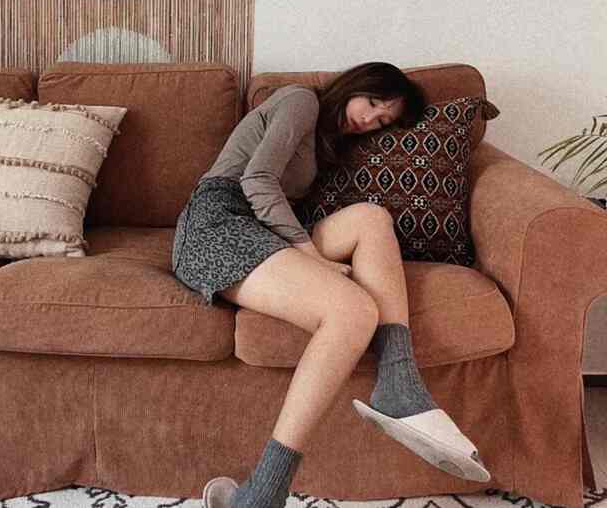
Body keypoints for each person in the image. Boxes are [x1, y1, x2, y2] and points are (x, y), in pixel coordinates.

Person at [170, 62, 491, 508]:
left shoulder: (328, 143)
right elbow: (257, 180)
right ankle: (264, 493)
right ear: (357, 84)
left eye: (383, 120)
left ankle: (399, 380)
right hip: (218, 223)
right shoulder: (301, 100)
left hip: (266, 230)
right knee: (353, 310)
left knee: (372, 220)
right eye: (374, 102)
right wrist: (310, 256)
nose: (371, 118)